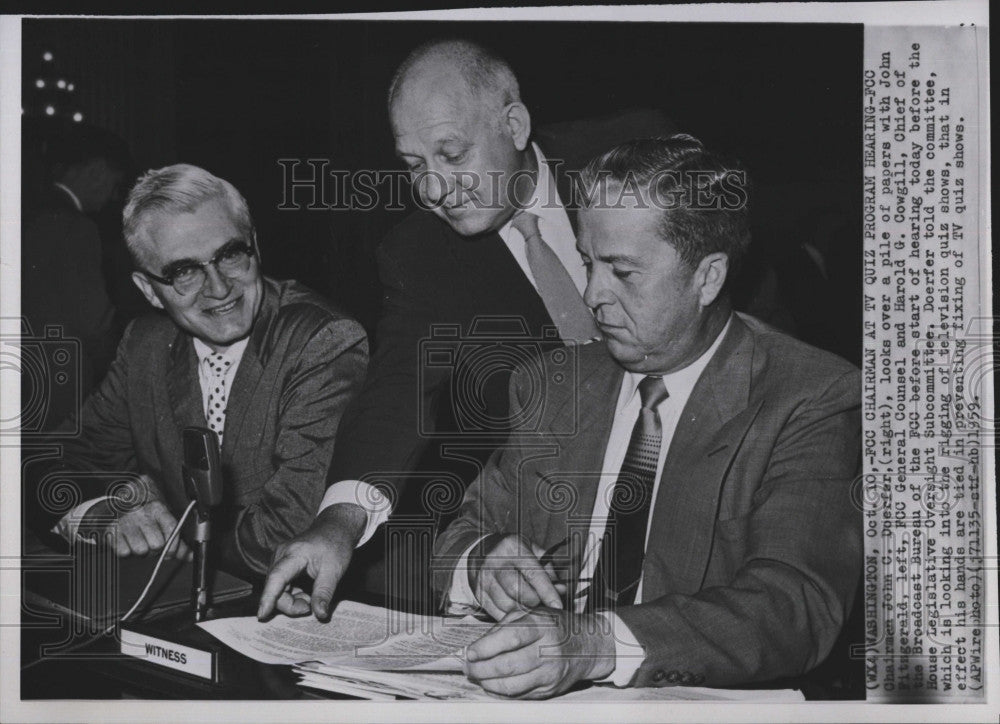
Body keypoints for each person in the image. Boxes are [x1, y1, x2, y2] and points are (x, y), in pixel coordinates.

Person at [431, 136, 862, 697]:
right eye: (587, 263)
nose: (590, 295)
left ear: (708, 278)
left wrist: (595, 643)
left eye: (622, 272)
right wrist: (482, 561)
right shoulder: (551, 384)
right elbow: (453, 536)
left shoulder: (811, 397)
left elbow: (794, 608)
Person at [258, 39, 672, 619]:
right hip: (552, 530)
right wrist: (338, 522)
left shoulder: (630, 166)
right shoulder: (419, 253)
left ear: (515, 124)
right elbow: (397, 391)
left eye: (452, 155)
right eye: (414, 166)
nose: (433, 189)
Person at [25, 164, 368, 579]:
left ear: (254, 245)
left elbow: (285, 537)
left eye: (229, 254)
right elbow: (47, 462)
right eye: (183, 271)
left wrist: (163, 527)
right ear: (149, 290)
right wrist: (99, 514)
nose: (220, 288)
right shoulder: (145, 345)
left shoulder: (323, 341)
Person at [22, 122, 132, 400]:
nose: (114, 196)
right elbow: (95, 323)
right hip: (56, 384)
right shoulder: (76, 227)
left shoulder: (24, 211)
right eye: (115, 184)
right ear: (98, 172)